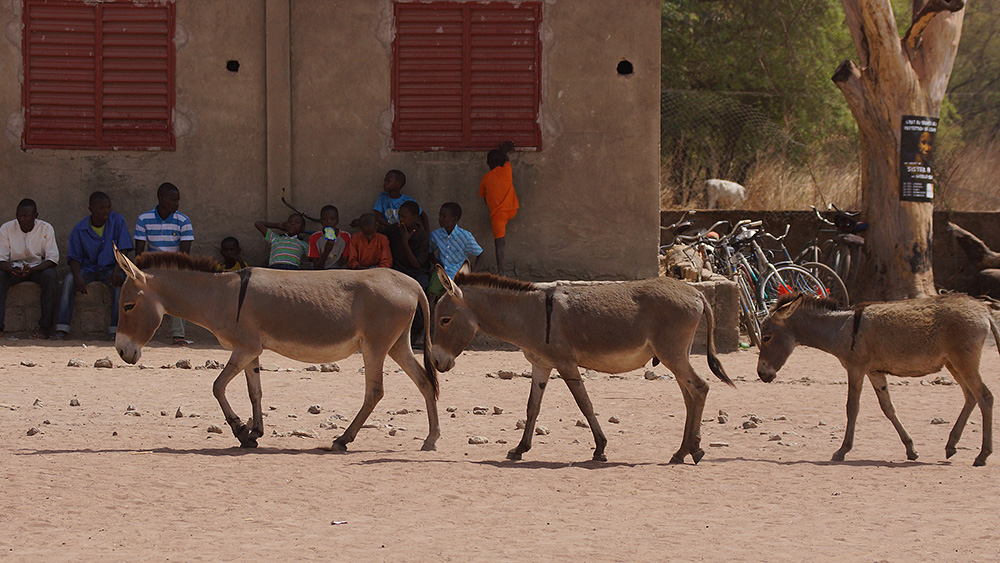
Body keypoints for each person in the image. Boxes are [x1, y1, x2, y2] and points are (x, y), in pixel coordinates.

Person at [53, 191, 134, 340]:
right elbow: (75, 257)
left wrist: (118, 269)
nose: (106, 211)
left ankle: (115, 330)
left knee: (120, 284)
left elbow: (123, 249)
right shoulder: (80, 229)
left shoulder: (117, 221)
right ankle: (62, 328)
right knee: (69, 281)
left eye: (108, 207)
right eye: (101, 208)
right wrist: (77, 276)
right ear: (91, 209)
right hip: (88, 269)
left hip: (111, 268)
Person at [134, 182, 194, 345]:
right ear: (161, 199)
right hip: (152, 266)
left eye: (178, 200)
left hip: (174, 266)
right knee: (141, 291)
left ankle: (178, 335)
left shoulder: (183, 221)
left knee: (178, 290)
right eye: (173, 200)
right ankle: (141, 332)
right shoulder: (144, 219)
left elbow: (184, 256)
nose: (177, 203)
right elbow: (139, 253)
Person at [0, 198, 59, 339]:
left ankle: (45, 328)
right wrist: (12, 269)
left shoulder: (46, 229)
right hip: (14, 269)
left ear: (35, 216)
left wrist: (32, 270)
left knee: (50, 276)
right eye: (19, 215)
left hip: (36, 269)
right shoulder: (6, 229)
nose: (22, 219)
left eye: (26, 216)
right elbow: (1, 259)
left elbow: (52, 259)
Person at [479, 140, 518, 276]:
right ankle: (502, 271)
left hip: (498, 215)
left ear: (489, 164)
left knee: (499, 244)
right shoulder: (507, 170)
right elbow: (506, 160)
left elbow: (483, 196)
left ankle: (502, 271)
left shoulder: (486, 177)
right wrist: (503, 151)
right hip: (512, 209)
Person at [428, 201, 482, 298]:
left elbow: (480, 255)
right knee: (431, 295)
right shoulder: (435, 235)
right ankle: (431, 313)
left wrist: (473, 274)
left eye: (444, 216)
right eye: (440, 215)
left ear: (454, 219)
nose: (440, 219)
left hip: (458, 274)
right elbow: (429, 251)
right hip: (441, 273)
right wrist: (436, 263)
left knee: (454, 298)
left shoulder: (465, 236)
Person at [307, 205, 350, 269]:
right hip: (322, 272)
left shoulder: (346, 236)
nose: (329, 222)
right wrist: (326, 251)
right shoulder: (314, 238)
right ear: (321, 221)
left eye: (332, 219)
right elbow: (316, 267)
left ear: (337, 220)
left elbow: (345, 263)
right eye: (325, 219)